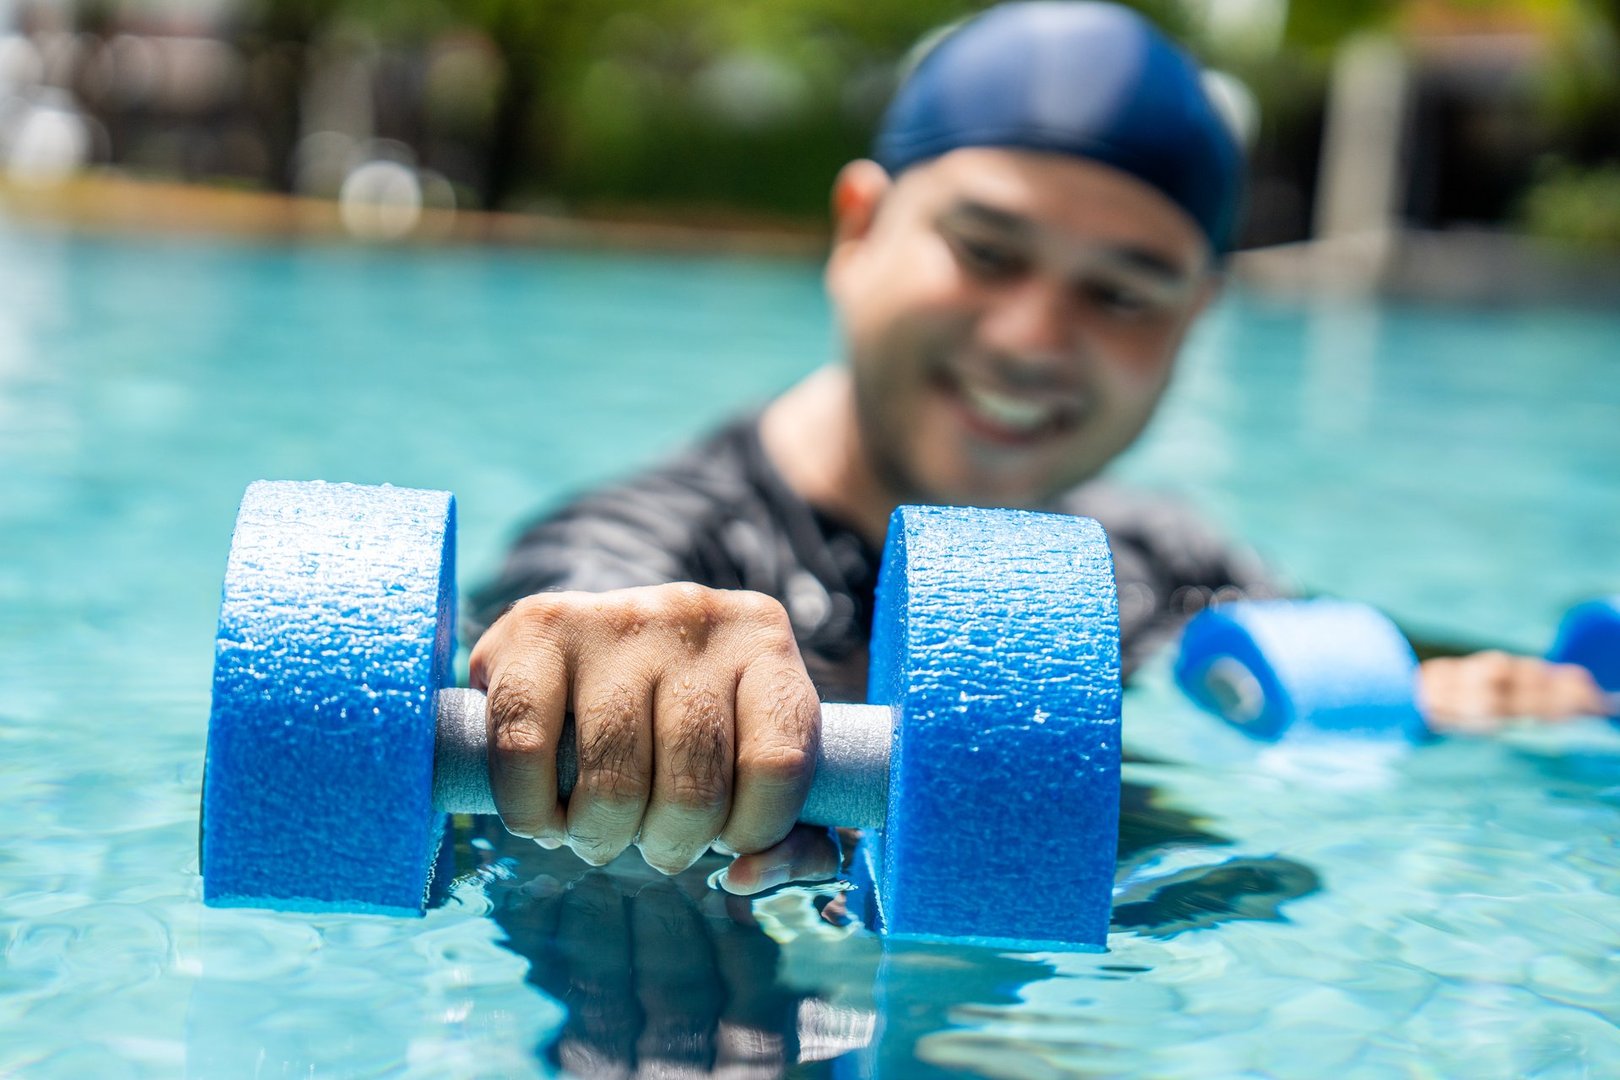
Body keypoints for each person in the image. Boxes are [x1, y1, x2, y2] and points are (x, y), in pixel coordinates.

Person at [465, 2, 1608, 898]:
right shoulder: (661, 544)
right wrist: (607, 663)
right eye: (986, 251)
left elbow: (1342, 660)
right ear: (860, 229)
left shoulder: (1160, 560)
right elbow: (577, 605)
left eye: (1123, 293)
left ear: (1193, 322)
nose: (1032, 340)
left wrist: (1476, 695)